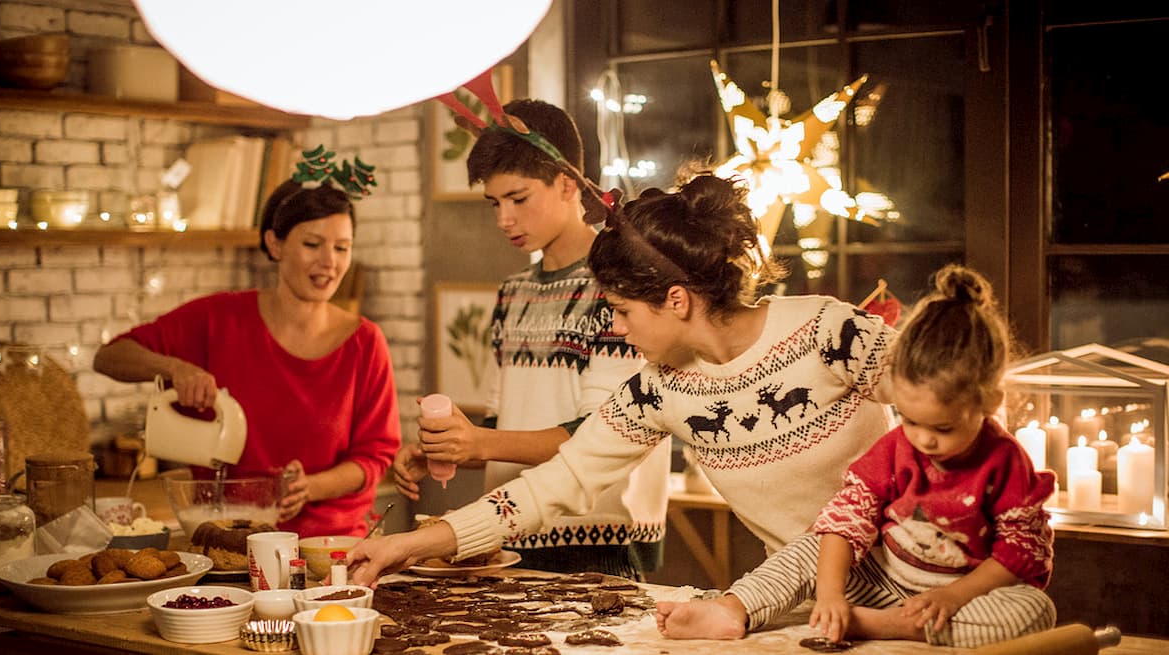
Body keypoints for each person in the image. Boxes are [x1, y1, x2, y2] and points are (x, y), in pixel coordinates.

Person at [347, 173, 898, 586]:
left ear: (676, 301)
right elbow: (553, 486)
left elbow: (960, 402)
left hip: (940, 588)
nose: (614, 325)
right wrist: (411, 545)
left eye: (622, 309)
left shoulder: (828, 330)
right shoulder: (658, 389)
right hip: (803, 602)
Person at [654, 264, 1057, 648]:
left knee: (1033, 611)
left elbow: (1021, 552)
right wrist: (830, 595)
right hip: (880, 581)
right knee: (812, 544)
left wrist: (953, 597)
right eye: (911, 420)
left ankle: (883, 626)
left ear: (989, 401)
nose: (923, 440)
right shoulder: (897, 448)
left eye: (943, 428)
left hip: (965, 597)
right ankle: (733, 608)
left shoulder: (1006, 462)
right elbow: (846, 520)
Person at [392, 98, 670, 579]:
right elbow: (503, 426)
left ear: (567, 184)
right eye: (495, 203)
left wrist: (477, 443)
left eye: (518, 199)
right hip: (509, 533)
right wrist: (453, 447)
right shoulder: (514, 290)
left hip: (600, 541)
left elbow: (601, 434)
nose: (504, 219)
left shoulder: (620, 288)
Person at [93, 176, 401, 538]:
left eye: (342, 248)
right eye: (313, 244)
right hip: (226, 541)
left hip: (331, 548)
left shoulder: (365, 342)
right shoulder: (218, 319)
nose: (329, 262)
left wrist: (310, 487)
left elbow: (375, 457)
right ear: (275, 244)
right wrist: (176, 368)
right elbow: (109, 357)